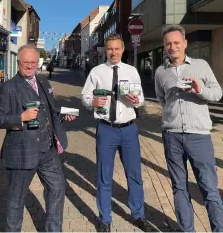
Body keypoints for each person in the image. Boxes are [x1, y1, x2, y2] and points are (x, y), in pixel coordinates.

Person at [0, 44, 76, 232]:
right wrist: (20, 118)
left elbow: (50, 111)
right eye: (25, 63)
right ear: (18, 63)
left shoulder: (44, 82)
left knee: (57, 188)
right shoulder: (8, 87)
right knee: (16, 199)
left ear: (38, 63)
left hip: (47, 150)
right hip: (22, 152)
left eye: (33, 62)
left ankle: (53, 230)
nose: (29, 66)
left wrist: (64, 115)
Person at [155, 25, 223, 232]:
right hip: (172, 136)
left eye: (176, 43)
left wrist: (199, 90)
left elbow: (217, 93)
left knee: (209, 188)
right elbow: (161, 99)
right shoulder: (160, 72)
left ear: (185, 44)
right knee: (179, 188)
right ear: (164, 47)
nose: (172, 47)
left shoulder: (201, 66)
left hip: (199, 136)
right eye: (168, 44)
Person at [81, 34, 149, 232]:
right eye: (110, 49)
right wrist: (92, 102)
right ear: (105, 51)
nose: (113, 52)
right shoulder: (96, 72)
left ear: (122, 49)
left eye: (117, 48)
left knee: (134, 174)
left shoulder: (132, 71)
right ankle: (105, 219)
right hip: (106, 129)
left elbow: (142, 98)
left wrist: (136, 100)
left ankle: (138, 214)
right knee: (104, 175)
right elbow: (85, 95)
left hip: (129, 129)